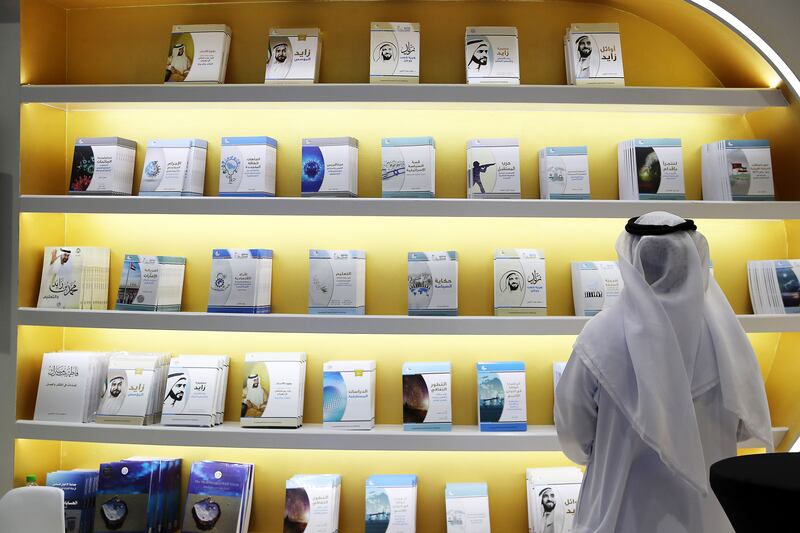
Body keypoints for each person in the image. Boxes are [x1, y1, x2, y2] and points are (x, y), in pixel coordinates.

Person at [555, 212, 773, 533]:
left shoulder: (601, 335)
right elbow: (743, 427)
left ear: (631, 260)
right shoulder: (725, 335)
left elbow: (574, 435)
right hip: (708, 516)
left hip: (620, 514)